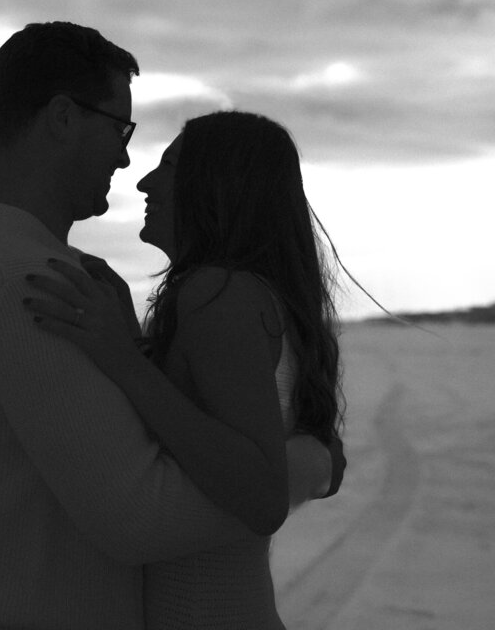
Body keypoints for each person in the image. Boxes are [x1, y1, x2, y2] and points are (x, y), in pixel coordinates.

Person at [0, 24, 340, 630]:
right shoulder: (29, 284)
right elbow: (141, 518)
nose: (125, 158)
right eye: (120, 129)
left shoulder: (46, 271)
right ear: (62, 118)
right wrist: (304, 467)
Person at [25, 110, 345, 628]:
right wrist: (137, 346)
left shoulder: (219, 294)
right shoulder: (248, 294)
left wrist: (125, 361)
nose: (147, 181)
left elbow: (261, 498)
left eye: (170, 166)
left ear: (216, 187)